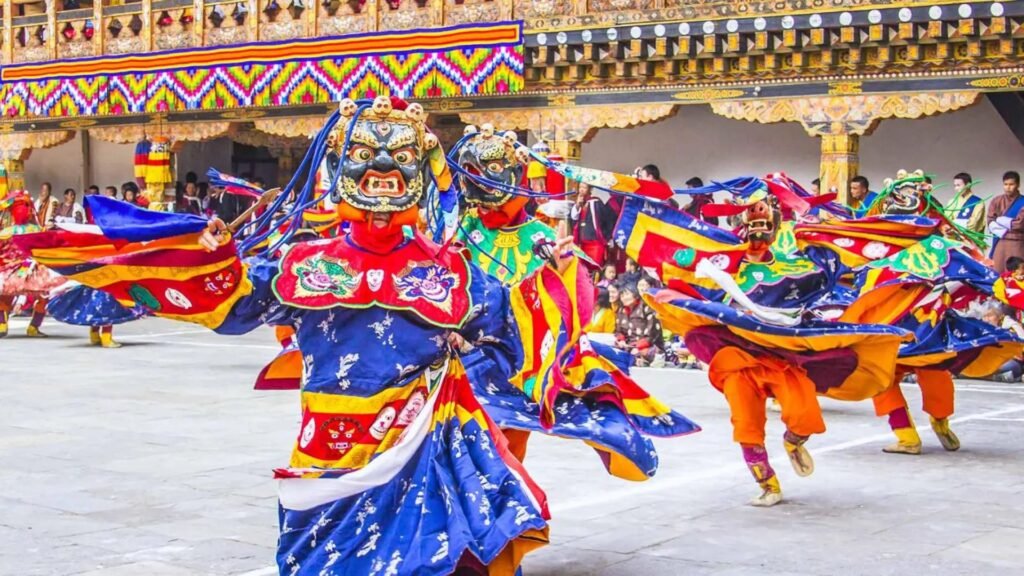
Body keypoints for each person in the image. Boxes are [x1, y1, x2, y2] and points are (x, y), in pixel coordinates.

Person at [614, 285, 664, 367]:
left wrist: (637, 346)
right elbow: (619, 331)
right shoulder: (621, 310)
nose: (624, 298)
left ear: (635, 294)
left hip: (647, 345)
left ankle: (643, 359)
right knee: (612, 351)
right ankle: (636, 359)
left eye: (627, 294)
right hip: (628, 346)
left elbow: (652, 333)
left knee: (644, 352)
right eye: (622, 296)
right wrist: (621, 341)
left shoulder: (647, 307)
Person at [569, 182, 616, 267]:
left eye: (584, 188)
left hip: (595, 243)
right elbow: (574, 218)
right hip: (582, 243)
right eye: (580, 187)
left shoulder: (597, 203)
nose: (581, 190)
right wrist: (578, 205)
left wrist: (608, 237)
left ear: (590, 190)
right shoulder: (580, 203)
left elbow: (608, 219)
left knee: (595, 267)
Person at [988, 171, 1024, 273]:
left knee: (1017, 273)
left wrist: (999, 220)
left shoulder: (1022, 202)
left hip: (1017, 242)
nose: (1008, 187)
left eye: (1011, 184)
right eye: (1005, 184)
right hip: (1000, 241)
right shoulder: (996, 201)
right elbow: (990, 221)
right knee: (998, 271)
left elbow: (1020, 224)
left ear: (1018, 185)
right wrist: (1007, 223)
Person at [982, 301, 1024, 382]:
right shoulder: (983, 328)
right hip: (990, 360)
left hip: (1011, 360)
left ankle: (987, 376)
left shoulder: (1010, 326)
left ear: (999, 316)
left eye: (990, 315)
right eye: (984, 316)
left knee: (1010, 367)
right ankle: (993, 376)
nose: (987, 319)